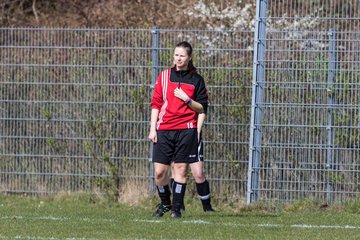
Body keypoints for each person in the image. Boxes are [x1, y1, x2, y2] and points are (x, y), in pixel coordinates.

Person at [148, 41, 209, 218]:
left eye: (182, 56)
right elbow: (156, 104)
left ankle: (176, 209)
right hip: (164, 129)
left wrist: (187, 100)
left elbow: (202, 108)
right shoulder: (165, 76)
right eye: (176, 55)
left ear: (189, 58)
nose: (178, 58)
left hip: (186, 130)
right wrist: (153, 129)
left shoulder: (197, 80)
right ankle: (165, 203)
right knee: (159, 173)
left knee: (180, 170)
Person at [169, 112, 214, 212]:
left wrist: (197, 131)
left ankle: (207, 208)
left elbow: (202, 110)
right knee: (176, 171)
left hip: (192, 134)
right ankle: (178, 205)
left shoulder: (196, 96)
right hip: (175, 134)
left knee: (198, 174)